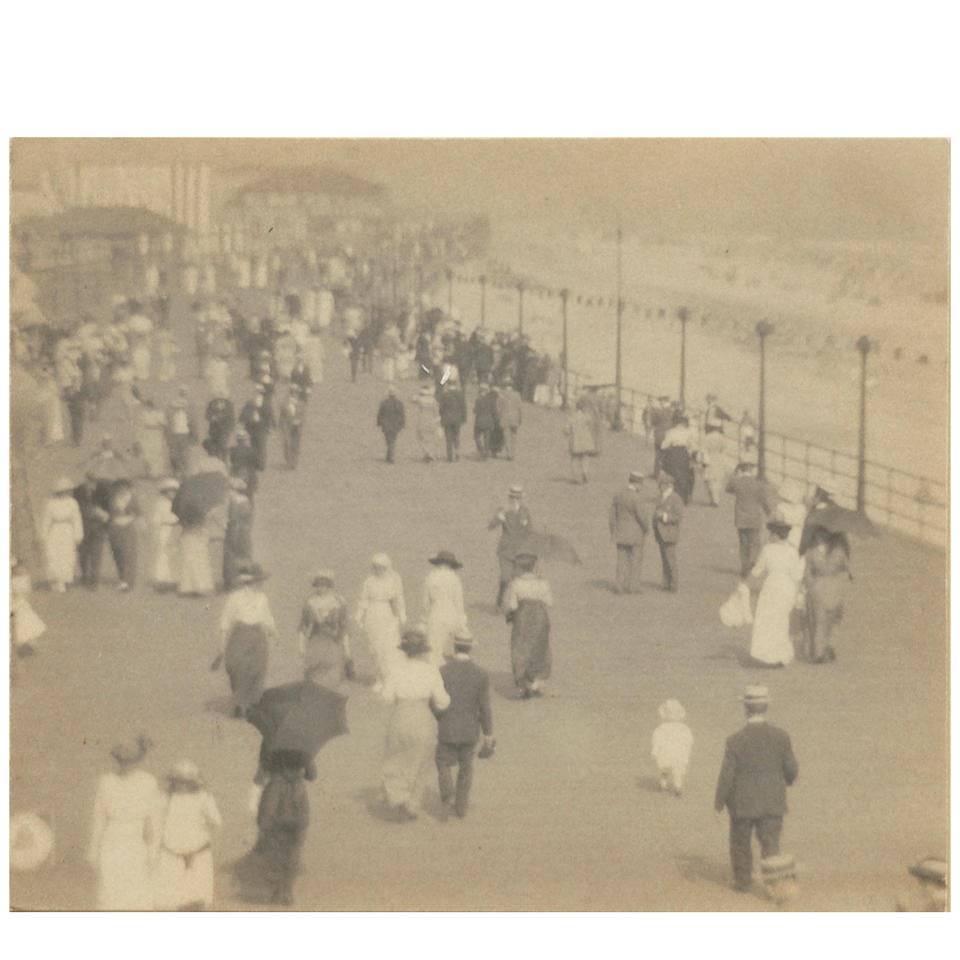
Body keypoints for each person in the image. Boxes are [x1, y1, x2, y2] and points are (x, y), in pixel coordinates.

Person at [714, 685, 799, 894]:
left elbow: (727, 775)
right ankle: (774, 884)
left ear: (746, 709)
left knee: (740, 843)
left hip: (742, 803)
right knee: (771, 844)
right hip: (772, 800)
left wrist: (719, 802)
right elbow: (791, 768)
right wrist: (785, 782)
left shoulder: (734, 740)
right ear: (766, 708)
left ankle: (743, 882)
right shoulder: (781, 736)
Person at [380, 627, 451, 821]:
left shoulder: (395, 670)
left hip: (400, 714)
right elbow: (443, 701)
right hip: (422, 715)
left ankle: (398, 795)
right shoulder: (430, 671)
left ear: (405, 650)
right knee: (422, 761)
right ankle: (413, 803)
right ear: (423, 651)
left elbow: (386, 698)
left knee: (396, 757)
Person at [86, 734, 160, 910]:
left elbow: (153, 820)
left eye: (130, 760)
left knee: (137, 891)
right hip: (111, 840)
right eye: (121, 760)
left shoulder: (148, 782)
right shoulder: (106, 781)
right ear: (117, 759)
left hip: (136, 842)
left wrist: (153, 852)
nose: (125, 764)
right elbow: (99, 818)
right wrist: (93, 850)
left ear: (138, 760)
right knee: (110, 890)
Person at [435, 628, 495, 820]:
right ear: (470, 649)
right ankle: (461, 807)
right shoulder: (481, 675)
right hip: (470, 729)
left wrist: (440, 718)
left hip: (447, 727)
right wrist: (488, 733)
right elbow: (485, 707)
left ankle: (447, 796)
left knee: (442, 762)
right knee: (466, 767)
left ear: (454, 647)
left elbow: (434, 701)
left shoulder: (442, 671)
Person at [240, 749, 312, 906]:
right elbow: (304, 810)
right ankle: (284, 890)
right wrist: (302, 825)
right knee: (290, 860)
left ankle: (281, 891)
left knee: (278, 860)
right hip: (292, 828)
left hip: (280, 829)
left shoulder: (276, 784)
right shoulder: (298, 785)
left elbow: (267, 809)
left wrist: (264, 828)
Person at [153, 760, 222, 911]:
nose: (181, 786)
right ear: (172, 782)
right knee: (171, 900)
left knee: (196, 899)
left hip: (198, 854)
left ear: (194, 782)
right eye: (177, 782)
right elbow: (157, 824)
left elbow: (216, 821)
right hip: (171, 854)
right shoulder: (165, 798)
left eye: (185, 782)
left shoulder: (203, 797)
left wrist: (203, 831)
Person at [217, 563, 277, 717]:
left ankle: (248, 705)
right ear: (250, 582)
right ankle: (239, 701)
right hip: (240, 635)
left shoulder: (262, 598)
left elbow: (267, 617)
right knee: (236, 667)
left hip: (258, 636)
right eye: (258, 581)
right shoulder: (235, 598)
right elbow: (225, 620)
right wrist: (222, 645)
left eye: (261, 581)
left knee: (257, 669)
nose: (261, 584)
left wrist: (273, 632)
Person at [748, 521, 805, 667]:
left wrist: (747, 577)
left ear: (774, 534)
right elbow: (797, 575)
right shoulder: (792, 552)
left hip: (771, 587)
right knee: (782, 621)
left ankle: (767, 655)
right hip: (787, 588)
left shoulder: (768, 550)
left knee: (767, 621)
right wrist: (798, 593)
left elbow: (757, 571)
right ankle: (781, 655)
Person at [503, 552, 553, 699]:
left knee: (520, 648)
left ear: (519, 568)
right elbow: (550, 602)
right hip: (541, 617)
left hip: (522, 617)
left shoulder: (516, 583)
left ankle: (523, 684)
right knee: (540, 647)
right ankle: (536, 682)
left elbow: (512, 605)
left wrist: (510, 615)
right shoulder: (543, 583)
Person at [357, 553, 407, 687]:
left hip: (388, 615)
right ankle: (379, 677)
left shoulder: (394, 580)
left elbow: (399, 599)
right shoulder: (369, 581)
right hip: (372, 616)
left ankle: (392, 677)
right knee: (375, 647)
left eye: (381, 567)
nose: (378, 570)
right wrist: (359, 615)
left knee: (389, 646)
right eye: (376, 567)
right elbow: (364, 600)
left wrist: (402, 616)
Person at [802, 528, 852, 664]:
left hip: (818, 588)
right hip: (835, 588)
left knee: (819, 621)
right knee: (834, 620)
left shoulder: (812, 552)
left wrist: (810, 586)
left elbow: (807, 574)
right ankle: (829, 646)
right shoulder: (840, 551)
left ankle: (818, 651)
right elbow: (846, 572)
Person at [298, 568, 352, 687]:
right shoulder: (310, 602)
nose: (321, 588)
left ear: (329, 586)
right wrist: (301, 646)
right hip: (316, 642)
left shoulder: (338, 602)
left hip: (333, 642)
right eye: (318, 585)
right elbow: (303, 626)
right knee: (314, 674)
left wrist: (347, 650)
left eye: (324, 585)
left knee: (332, 676)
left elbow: (344, 627)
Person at [727, 461, 777, 578]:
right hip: (754, 518)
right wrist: (770, 513)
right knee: (754, 543)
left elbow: (728, 488)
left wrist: (736, 475)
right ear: (751, 471)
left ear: (742, 471)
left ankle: (745, 567)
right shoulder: (758, 484)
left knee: (743, 543)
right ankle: (752, 563)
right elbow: (764, 501)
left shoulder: (737, 483)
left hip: (741, 518)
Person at [488, 483, 532, 609]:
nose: (515, 501)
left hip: (520, 550)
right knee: (506, 577)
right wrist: (498, 518)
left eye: (518, 498)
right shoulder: (504, 511)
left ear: (521, 499)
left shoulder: (525, 512)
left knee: (518, 579)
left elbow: (530, 530)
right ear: (509, 498)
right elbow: (490, 526)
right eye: (513, 498)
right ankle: (500, 598)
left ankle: (516, 606)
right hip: (505, 551)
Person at [422, 550, 469, 667]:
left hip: (436, 613)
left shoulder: (430, 577)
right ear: (451, 564)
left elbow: (425, 603)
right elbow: (459, 603)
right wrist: (462, 621)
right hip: (452, 614)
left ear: (438, 563)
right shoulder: (455, 579)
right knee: (449, 649)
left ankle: (434, 677)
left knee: (434, 650)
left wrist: (425, 618)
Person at [40, 476, 84, 592]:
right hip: (55, 531)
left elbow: (77, 519)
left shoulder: (73, 503)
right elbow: (46, 520)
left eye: (68, 490)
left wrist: (78, 535)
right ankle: (55, 580)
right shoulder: (51, 503)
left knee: (67, 555)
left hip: (68, 531)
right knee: (54, 555)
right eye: (64, 491)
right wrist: (43, 535)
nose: (67, 493)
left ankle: (63, 581)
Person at [609, 470, 649, 594]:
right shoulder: (637, 498)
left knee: (621, 561)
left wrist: (614, 530)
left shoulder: (618, 495)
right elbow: (642, 517)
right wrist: (646, 528)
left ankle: (619, 585)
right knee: (635, 561)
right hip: (635, 535)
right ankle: (633, 587)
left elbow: (612, 516)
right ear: (637, 483)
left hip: (620, 533)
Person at [74, 472, 111, 589]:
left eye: (94, 481)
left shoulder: (104, 491)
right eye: (90, 481)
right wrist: (89, 510)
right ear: (86, 480)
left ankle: (94, 580)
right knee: (83, 554)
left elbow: (108, 509)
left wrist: (103, 514)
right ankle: (85, 576)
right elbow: (75, 508)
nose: (92, 484)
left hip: (98, 528)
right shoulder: (78, 491)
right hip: (83, 526)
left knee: (96, 554)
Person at [651, 699, 694, 796]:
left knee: (672, 769)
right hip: (671, 751)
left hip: (674, 751)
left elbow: (688, 739)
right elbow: (657, 739)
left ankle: (675, 786)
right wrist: (655, 749)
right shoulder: (664, 728)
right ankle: (669, 785)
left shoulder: (666, 728)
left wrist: (687, 748)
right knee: (668, 769)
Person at [107, 477, 141, 591]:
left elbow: (138, 512)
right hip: (115, 527)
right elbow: (109, 512)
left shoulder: (132, 498)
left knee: (128, 554)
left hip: (128, 527)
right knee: (117, 554)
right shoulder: (113, 498)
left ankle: (127, 580)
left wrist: (131, 514)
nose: (122, 488)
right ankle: (122, 577)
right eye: (119, 486)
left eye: (124, 486)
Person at [652, 475, 684, 592]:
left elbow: (678, 517)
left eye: (662, 485)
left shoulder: (676, 499)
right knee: (664, 559)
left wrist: (664, 516)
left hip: (669, 534)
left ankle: (674, 584)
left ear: (669, 486)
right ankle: (666, 583)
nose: (660, 487)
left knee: (670, 559)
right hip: (661, 533)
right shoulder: (661, 497)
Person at [222, 477, 253, 592]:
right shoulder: (245, 501)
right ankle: (242, 579)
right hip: (244, 531)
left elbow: (232, 518)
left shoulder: (232, 500)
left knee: (231, 554)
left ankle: (231, 581)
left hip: (234, 530)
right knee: (244, 554)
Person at [151, 478, 181, 591]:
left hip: (174, 529)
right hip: (164, 529)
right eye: (170, 491)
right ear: (165, 492)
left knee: (172, 554)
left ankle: (170, 578)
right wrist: (156, 531)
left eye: (174, 491)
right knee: (162, 553)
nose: (173, 494)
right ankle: (160, 579)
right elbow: (156, 520)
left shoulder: (175, 503)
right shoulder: (161, 504)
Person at [661, 414, 696, 505]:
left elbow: (664, 446)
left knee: (672, 475)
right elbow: (692, 447)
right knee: (683, 476)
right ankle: (682, 498)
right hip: (683, 454)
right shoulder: (689, 433)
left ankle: (671, 497)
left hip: (673, 454)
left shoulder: (670, 432)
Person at [564, 398, 597, 483]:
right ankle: (584, 473)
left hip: (575, 440)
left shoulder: (572, 417)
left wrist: (567, 433)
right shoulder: (586, 416)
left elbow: (566, 430)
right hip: (585, 440)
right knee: (585, 457)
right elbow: (591, 424)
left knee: (574, 458)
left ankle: (576, 477)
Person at [438, 381, 467, 462]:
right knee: (456, 437)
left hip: (447, 419)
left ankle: (450, 457)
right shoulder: (460, 395)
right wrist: (464, 419)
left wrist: (441, 416)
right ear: (455, 385)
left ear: (448, 385)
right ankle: (457, 454)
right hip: (457, 419)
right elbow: (463, 408)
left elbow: (441, 408)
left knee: (448, 438)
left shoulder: (444, 395)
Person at [278, 386, 306, 470]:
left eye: (296, 393)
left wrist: (300, 422)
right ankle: (288, 462)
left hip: (297, 427)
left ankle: (294, 463)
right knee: (288, 444)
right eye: (293, 393)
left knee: (296, 445)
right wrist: (282, 427)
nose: (295, 395)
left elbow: (302, 416)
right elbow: (282, 418)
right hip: (287, 427)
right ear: (291, 393)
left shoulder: (301, 404)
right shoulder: (285, 404)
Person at [376, 386, 406, 464]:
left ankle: (390, 456)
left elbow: (380, 414)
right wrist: (402, 424)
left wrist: (379, 423)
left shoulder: (384, 403)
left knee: (389, 440)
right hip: (395, 425)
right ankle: (390, 455)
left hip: (386, 425)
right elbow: (402, 415)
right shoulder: (399, 403)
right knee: (392, 440)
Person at [229, 429, 259, 504]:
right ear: (245, 440)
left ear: (237, 440)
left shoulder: (232, 450)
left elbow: (231, 460)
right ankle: (249, 512)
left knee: (235, 495)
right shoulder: (251, 450)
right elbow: (260, 465)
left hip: (236, 475)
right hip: (249, 476)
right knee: (250, 495)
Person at [414, 383, 442, 462]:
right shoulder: (433, 400)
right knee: (431, 438)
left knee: (421, 437)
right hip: (432, 421)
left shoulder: (420, 400)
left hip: (422, 420)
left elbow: (413, 399)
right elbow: (437, 412)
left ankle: (427, 452)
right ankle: (431, 453)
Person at [496, 377, 522, 460]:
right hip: (515, 417)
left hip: (504, 417)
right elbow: (520, 408)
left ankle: (509, 453)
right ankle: (513, 452)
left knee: (506, 436)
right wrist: (520, 418)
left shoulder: (500, 395)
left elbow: (498, 408)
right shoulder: (517, 394)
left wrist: (498, 417)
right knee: (514, 436)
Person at [473, 382, 499, 459]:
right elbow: (494, 411)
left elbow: (475, 411)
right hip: (488, 421)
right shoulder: (491, 400)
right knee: (487, 437)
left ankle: (481, 449)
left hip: (479, 421)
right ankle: (486, 451)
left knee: (476, 436)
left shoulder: (478, 399)